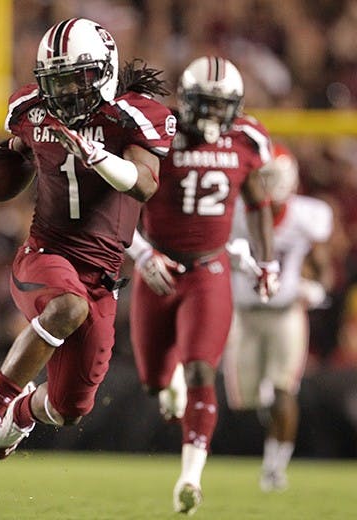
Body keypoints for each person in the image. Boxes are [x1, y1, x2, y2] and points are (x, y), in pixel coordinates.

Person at [0, 18, 175, 461]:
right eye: (56, 82)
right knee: (69, 307)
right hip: (45, 253)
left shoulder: (133, 117)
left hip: (103, 274)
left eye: (76, 79)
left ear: (103, 71)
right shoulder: (30, 109)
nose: (64, 93)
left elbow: (145, 184)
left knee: (69, 410)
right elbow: (19, 159)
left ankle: (23, 412)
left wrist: (100, 157)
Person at [125, 55, 277, 514]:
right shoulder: (159, 134)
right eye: (204, 104)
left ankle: (190, 478)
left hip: (209, 272)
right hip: (157, 270)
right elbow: (116, 209)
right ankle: (165, 384)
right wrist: (141, 252)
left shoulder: (248, 139)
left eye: (220, 105)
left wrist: (267, 262)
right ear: (186, 102)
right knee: (154, 382)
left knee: (200, 371)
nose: (212, 115)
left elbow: (258, 204)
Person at [222, 143, 334, 492]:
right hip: (244, 314)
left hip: (286, 313)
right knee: (249, 400)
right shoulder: (237, 211)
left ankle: (275, 467)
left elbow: (322, 261)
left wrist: (316, 286)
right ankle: (268, 410)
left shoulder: (306, 215)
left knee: (284, 389)